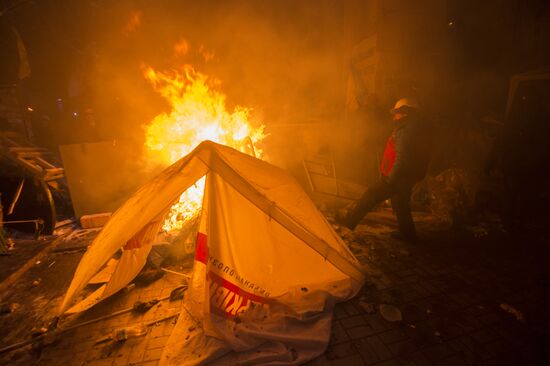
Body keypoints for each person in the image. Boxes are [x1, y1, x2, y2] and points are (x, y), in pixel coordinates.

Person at [337, 98, 433, 242]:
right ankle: (408, 235)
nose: (395, 116)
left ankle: (348, 223)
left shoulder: (405, 131)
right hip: (407, 177)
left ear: (406, 113)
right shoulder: (417, 128)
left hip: (396, 177)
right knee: (401, 204)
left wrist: (391, 179)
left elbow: (402, 158)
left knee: (370, 195)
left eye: (397, 113)